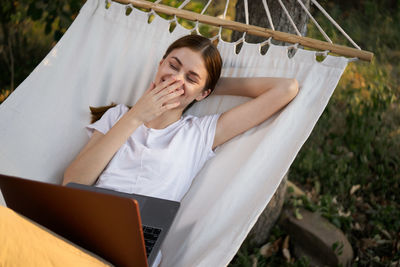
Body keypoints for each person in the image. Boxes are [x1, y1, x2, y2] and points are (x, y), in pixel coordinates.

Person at [62, 34, 299, 266]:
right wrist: (136, 117)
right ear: (160, 64)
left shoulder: (200, 134)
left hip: (136, 246)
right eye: (173, 66)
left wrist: (208, 86)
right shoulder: (118, 116)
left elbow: (286, 89)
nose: (176, 79)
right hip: (88, 227)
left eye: (191, 77)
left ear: (205, 93)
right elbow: (73, 182)